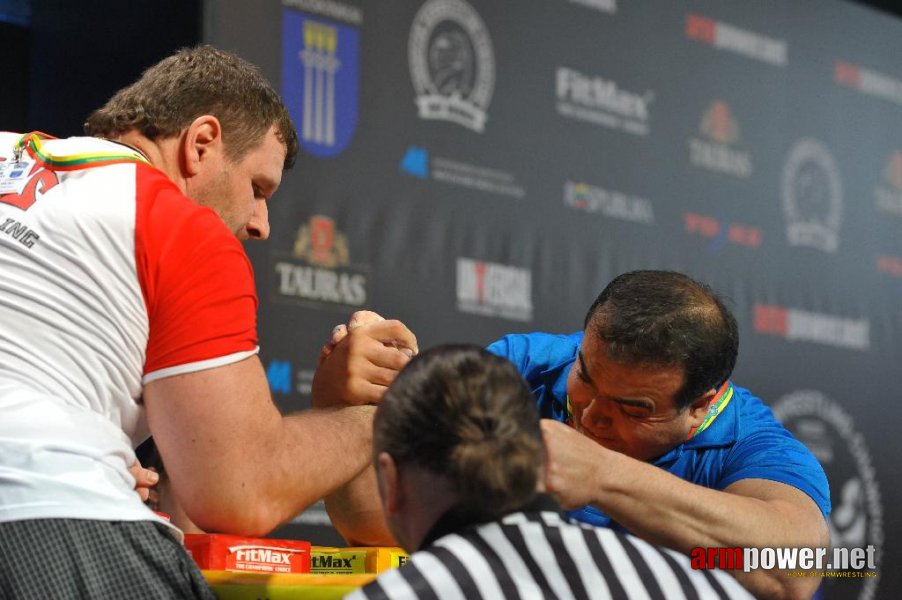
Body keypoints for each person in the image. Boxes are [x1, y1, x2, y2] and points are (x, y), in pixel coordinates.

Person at [0, 45, 415, 598]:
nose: (260, 224)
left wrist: (102, 448)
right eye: (257, 189)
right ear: (201, 144)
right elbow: (239, 492)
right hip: (47, 523)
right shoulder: (179, 225)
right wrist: (371, 416)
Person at [487, 270, 831, 600]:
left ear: (700, 405)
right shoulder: (525, 366)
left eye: (633, 409)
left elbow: (793, 570)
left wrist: (600, 474)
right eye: (585, 378)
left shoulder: (749, 443)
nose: (592, 415)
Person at [346, 345, 753, 600]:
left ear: (391, 481)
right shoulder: (695, 585)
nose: (596, 417)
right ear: (543, 451)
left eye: (633, 408)